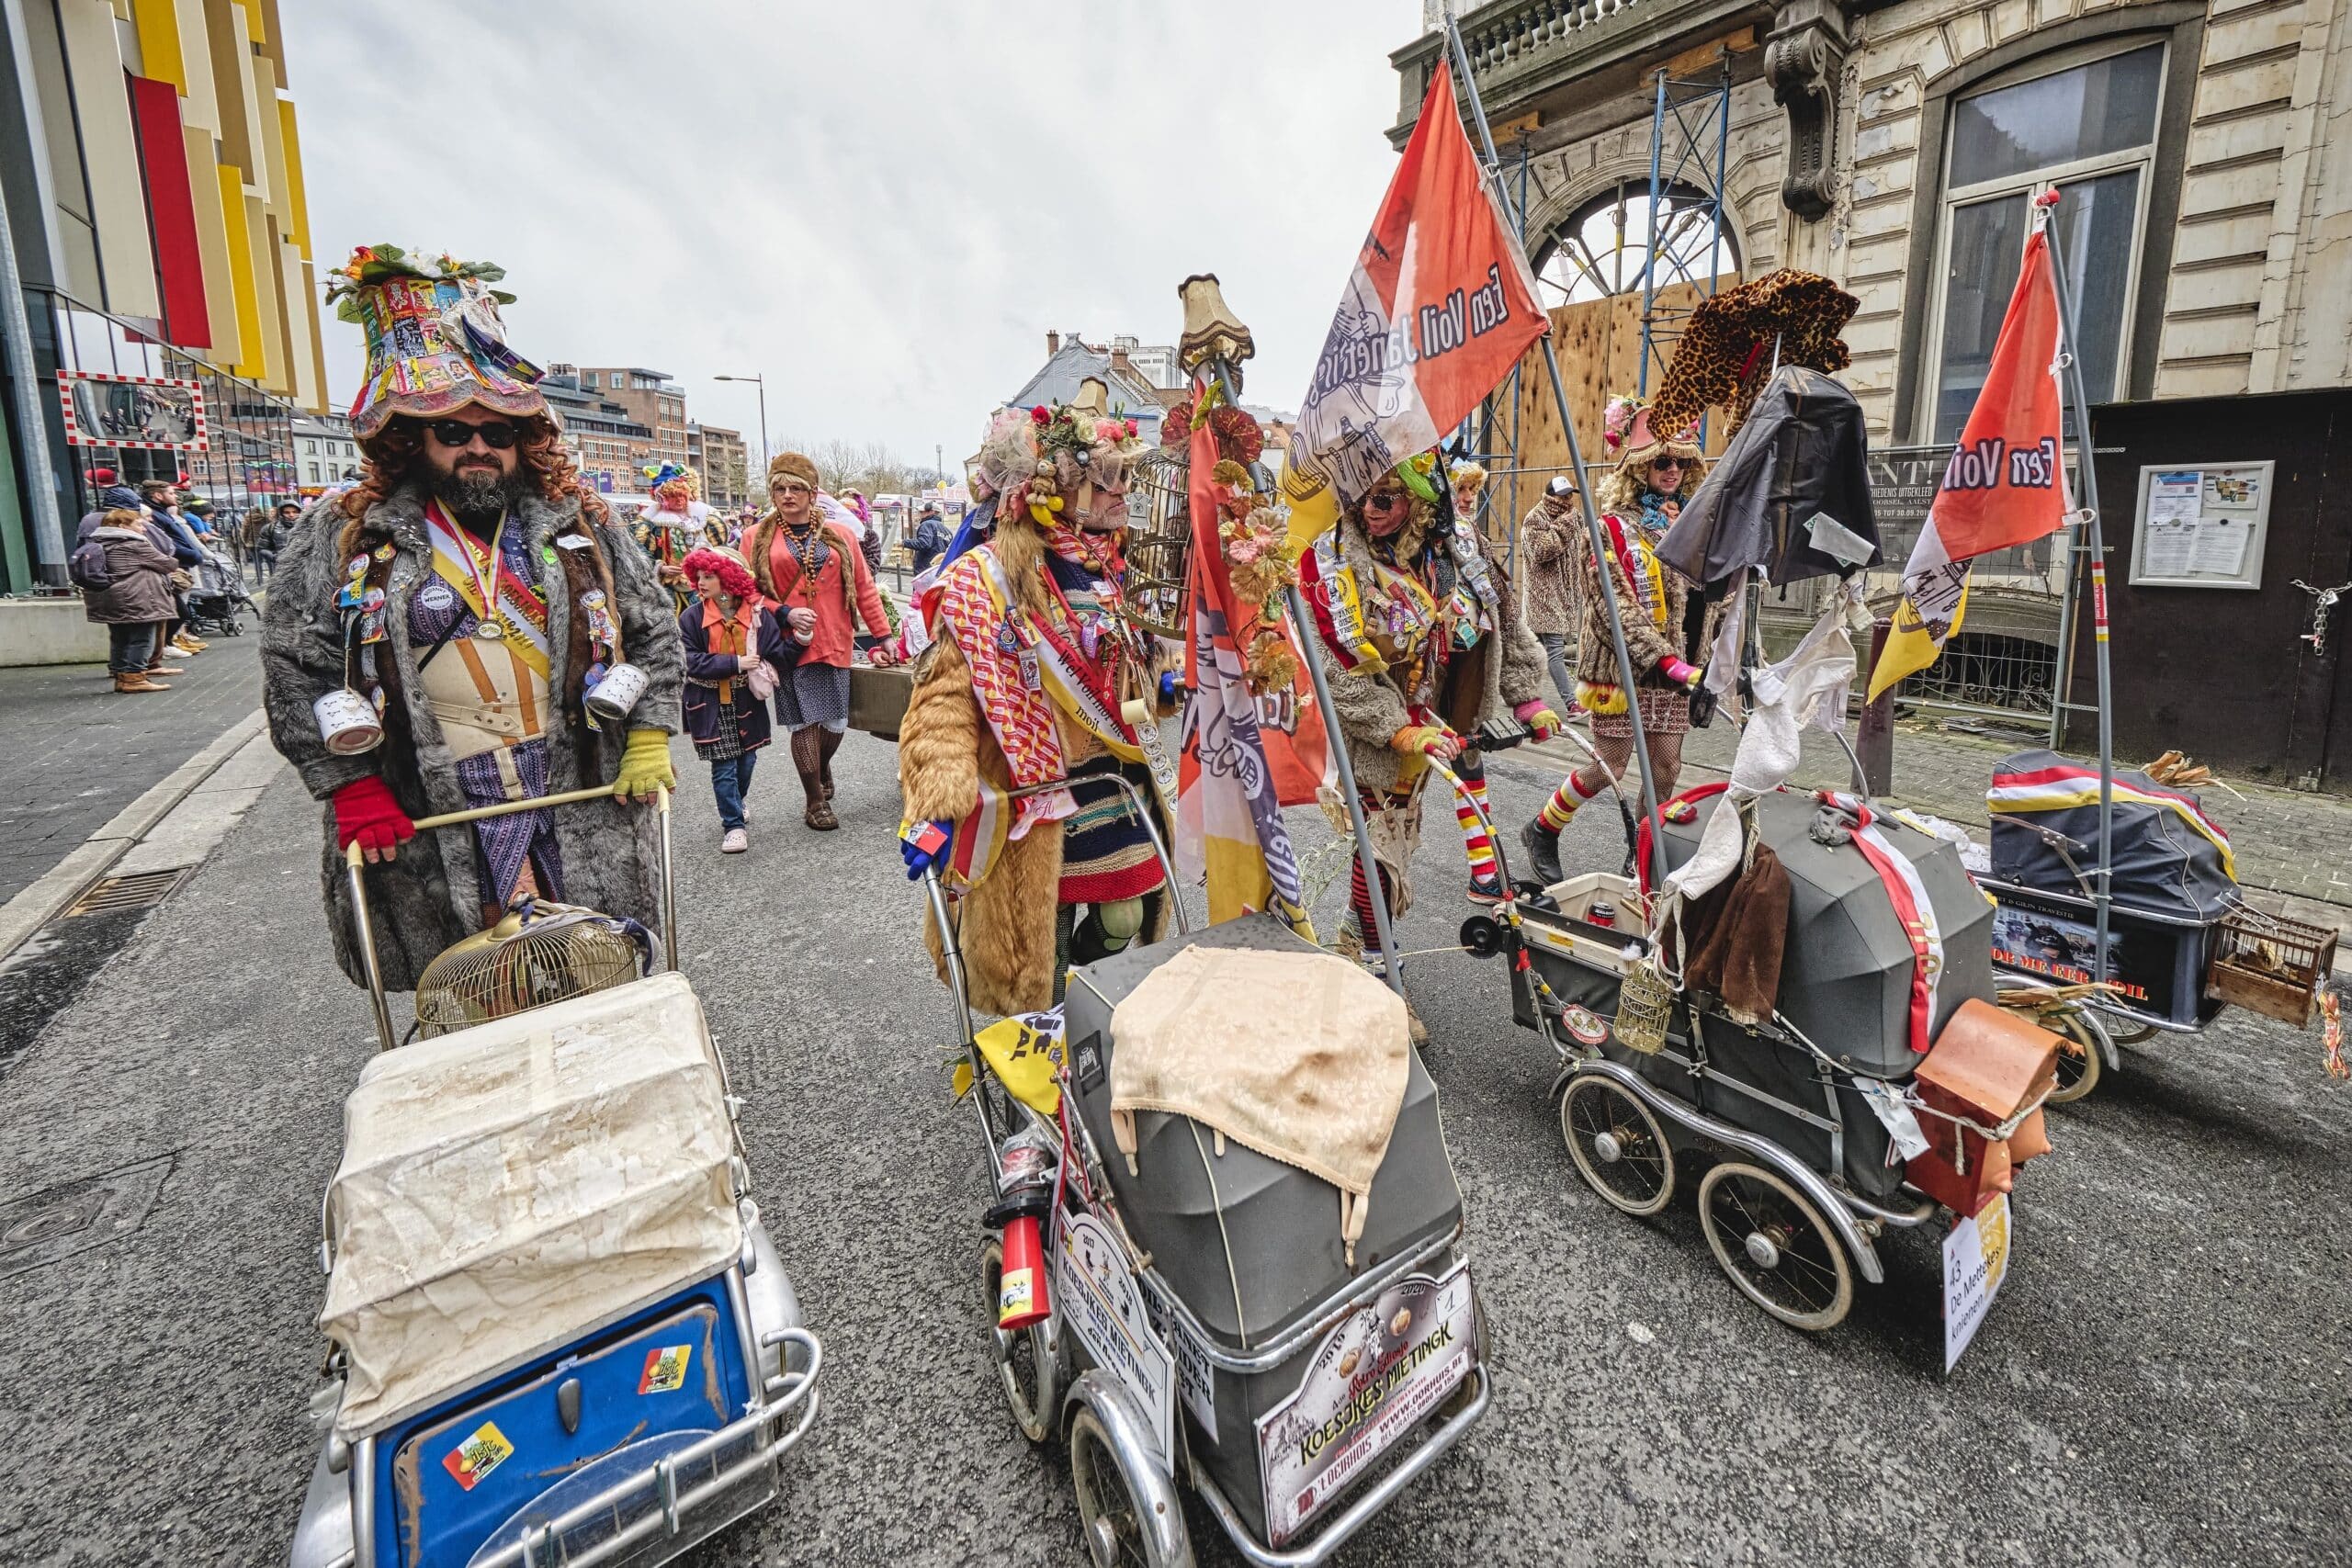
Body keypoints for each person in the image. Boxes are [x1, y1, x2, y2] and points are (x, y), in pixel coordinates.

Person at [262, 243, 683, 994]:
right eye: (454, 430)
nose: (479, 447)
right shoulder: (346, 530)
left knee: (596, 977)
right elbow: (298, 664)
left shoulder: (581, 520)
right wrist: (348, 783)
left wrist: (648, 733)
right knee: (468, 995)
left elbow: (652, 627)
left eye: (500, 431)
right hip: (430, 805)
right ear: (411, 438)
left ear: (526, 440)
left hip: (578, 788)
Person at [896, 391, 1173, 1014]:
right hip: (1031, 795)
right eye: (1106, 479)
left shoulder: (1127, 572)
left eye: (1127, 477)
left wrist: (1162, 683)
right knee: (1031, 955)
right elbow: (941, 700)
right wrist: (937, 802)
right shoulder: (985, 581)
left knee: (1124, 916)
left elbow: (1135, 671)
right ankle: (1040, 1063)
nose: (1120, 492)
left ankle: (1086, 1012)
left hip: (1115, 782)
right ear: (1059, 486)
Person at [1306, 449, 1558, 980]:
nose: (1367, 509)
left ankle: (1355, 940)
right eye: (1358, 497)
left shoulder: (1457, 547)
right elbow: (1331, 665)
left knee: (1398, 836)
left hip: (1430, 712)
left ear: (1418, 504)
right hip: (1372, 722)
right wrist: (1395, 728)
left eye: (1383, 499)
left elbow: (1504, 618)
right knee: (1379, 841)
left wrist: (1526, 696)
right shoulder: (1332, 557)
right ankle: (1379, 971)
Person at [1519, 397, 1719, 887]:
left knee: (1667, 768)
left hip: (1678, 673)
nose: (1671, 470)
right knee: (1607, 765)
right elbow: (1612, 608)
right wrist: (1664, 660)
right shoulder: (1607, 527)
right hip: (1622, 668)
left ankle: (1642, 857)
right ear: (1638, 468)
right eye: (1660, 461)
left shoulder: (1690, 523)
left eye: (1679, 462)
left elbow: (1708, 602)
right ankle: (1542, 829)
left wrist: (1709, 660)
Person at [741, 453, 896, 829]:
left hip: (835, 638)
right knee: (803, 725)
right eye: (780, 488)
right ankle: (814, 800)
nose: (788, 495)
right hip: (787, 643)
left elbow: (864, 588)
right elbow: (746, 592)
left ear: (812, 493)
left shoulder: (840, 536)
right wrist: (784, 612)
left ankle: (822, 765)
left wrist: (885, 636)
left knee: (836, 723)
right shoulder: (756, 537)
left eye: (796, 488)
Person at [678, 544, 797, 854]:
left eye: (710, 576)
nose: (701, 583)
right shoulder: (691, 617)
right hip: (709, 701)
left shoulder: (756, 615)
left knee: (747, 760)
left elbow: (776, 654)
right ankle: (733, 824)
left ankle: (736, 802)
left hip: (747, 700)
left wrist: (801, 640)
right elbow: (688, 660)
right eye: (699, 576)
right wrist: (734, 664)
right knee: (724, 766)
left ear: (728, 579)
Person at [78, 507, 179, 694]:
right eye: (139, 524)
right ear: (123, 525)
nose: (144, 529)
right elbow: (169, 564)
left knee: (119, 638)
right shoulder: (134, 545)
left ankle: (119, 675)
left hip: (110, 598)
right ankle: (134, 677)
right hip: (135, 597)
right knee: (141, 638)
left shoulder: (100, 542)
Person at [1519, 475, 1584, 713]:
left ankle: (1520, 695)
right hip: (1544, 597)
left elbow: (1581, 546)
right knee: (1556, 652)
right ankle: (1572, 704)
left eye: (1570, 495)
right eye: (1563, 496)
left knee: (1531, 651)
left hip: (1565, 595)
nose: (1568, 500)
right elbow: (1542, 551)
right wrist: (1565, 526)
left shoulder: (1573, 517)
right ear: (1551, 496)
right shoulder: (1535, 519)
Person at [633, 461, 724, 611]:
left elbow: (719, 548)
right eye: (673, 496)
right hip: (667, 587)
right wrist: (661, 568)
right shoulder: (651, 522)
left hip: (701, 583)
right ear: (662, 498)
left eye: (683, 495)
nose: (680, 500)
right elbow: (638, 555)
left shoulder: (703, 516)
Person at [141, 479, 209, 656]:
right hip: (172, 565)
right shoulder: (155, 515)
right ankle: (166, 645)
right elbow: (164, 543)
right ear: (157, 495)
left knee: (179, 607)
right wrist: (192, 554)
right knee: (178, 609)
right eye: (171, 493)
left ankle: (172, 641)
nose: (175, 496)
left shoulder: (163, 513)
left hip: (179, 562)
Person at [907, 503, 951, 573]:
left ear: (931, 512)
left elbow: (924, 544)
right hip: (939, 568)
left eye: (922, 512)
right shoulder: (946, 530)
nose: (920, 514)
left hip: (925, 569)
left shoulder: (927, 524)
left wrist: (904, 542)